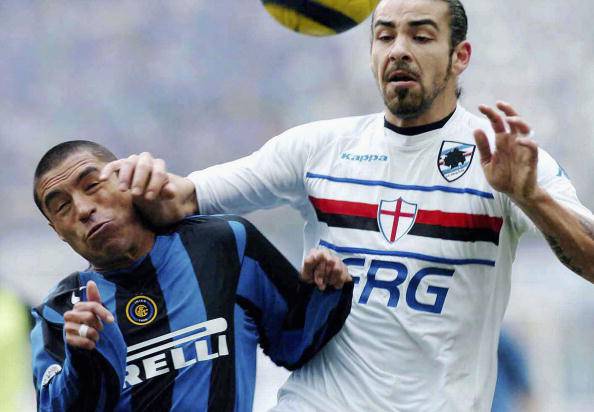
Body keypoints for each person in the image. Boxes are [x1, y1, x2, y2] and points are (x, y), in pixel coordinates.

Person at [99, 0, 594, 410]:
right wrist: (142, 180)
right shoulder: (318, 148)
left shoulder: (502, 160)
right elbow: (182, 199)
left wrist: (530, 196)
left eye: (421, 36)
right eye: (385, 36)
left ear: (460, 55)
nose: (399, 50)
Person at [30, 140, 353, 412]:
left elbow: (293, 344)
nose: (83, 209)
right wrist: (81, 358)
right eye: (62, 207)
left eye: (92, 186)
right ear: (57, 230)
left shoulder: (224, 245)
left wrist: (324, 291)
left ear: (124, 180)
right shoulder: (60, 313)